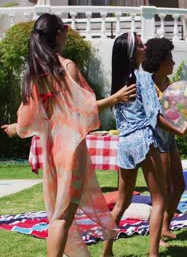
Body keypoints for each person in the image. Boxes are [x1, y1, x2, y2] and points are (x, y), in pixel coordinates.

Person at [0, 13, 131, 256]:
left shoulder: (35, 73)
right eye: (66, 30)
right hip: (71, 150)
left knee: (58, 215)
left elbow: (28, 118)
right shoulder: (66, 66)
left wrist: (14, 128)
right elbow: (82, 109)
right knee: (62, 217)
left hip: (52, 151)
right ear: (59, 33)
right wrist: (115, 98)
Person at [101, 32, 187, 257]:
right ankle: (153, 254)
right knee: (159, 198)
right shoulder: (143, 78)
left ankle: (106, 251)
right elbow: (154, 117)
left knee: (121, 202)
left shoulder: (119, 79)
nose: (144, 48)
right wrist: (180, 131)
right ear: (132, 53)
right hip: (143, 141)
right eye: (140, 45)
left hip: (124, 144)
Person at [142, 38, 185, 245]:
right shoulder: (147, 84)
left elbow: (175, 112)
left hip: (170, 139)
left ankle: (165, 225)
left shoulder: (169, 83)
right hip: (156, 139)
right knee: (163, 189)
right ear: (160, 60)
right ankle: (157, 236)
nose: (173, 62)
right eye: (170, 58)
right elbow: (155, 119)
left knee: (179, 186)